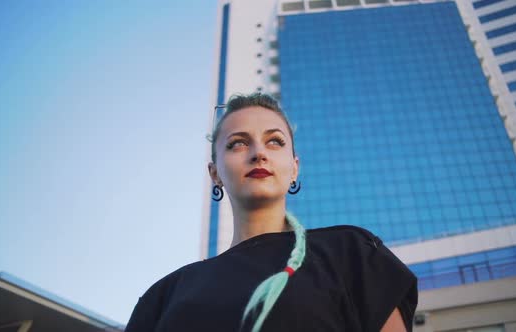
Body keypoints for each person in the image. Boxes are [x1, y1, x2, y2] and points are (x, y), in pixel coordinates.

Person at [124, 93, 417, 332]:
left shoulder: (353, 254)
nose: (258, 153)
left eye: (274, 141)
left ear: (294, 168)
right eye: (238, 143)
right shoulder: (164, 296)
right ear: (215, 174)